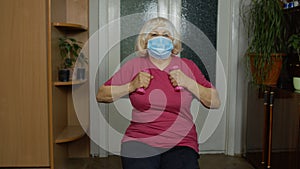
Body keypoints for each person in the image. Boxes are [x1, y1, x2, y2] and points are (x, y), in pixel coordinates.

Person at [96, 17, 220, 169]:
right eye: (154, 34)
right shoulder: (134, 65)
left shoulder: (187, 66)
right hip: (140, 140)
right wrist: (131, 85)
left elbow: (215, 101)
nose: (160, 38)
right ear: (145, 40)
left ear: (173, 41)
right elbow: (101, 94)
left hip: (181, 141)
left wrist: (188, 82)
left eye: (166, 35)